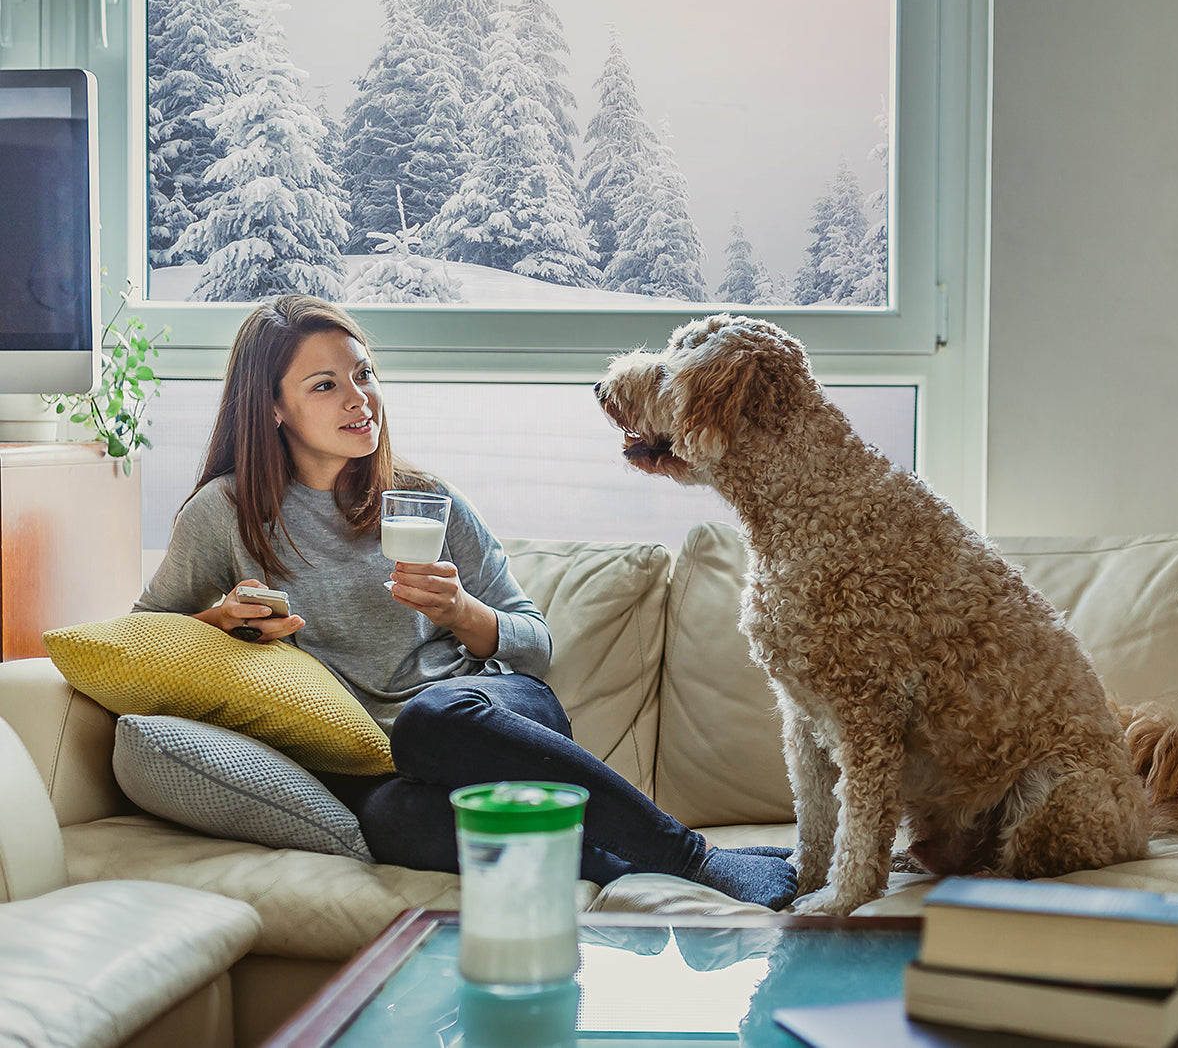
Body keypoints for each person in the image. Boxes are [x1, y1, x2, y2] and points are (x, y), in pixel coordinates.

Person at [135, 294, 797, 910]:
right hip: (375, 758)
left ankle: (691, 856)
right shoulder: (225, 515)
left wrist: (462, 614)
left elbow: (535, 645)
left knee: (431, 718)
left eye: (363, 374)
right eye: (325, 385)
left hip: (488, 718)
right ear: (272, 407)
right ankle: (626, 873)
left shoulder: (427, 499)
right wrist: (218, 623)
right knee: (393, 821)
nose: (360, 399)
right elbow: (144, 636)